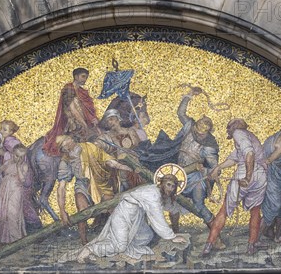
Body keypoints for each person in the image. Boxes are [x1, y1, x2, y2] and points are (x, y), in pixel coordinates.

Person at [76, 174, 187, 261]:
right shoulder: (152, 194)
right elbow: (157, 217)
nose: (170, 189)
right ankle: (89, 250)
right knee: (119, 247)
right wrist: (172, 237)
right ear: (162, 183)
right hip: (123, 215)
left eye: (173, 186)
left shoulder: (160, 193)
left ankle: (123, 243)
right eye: (168, 185)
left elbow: (170, 207)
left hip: (136, 217)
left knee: (146, 236)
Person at [202, 118, 268, 255]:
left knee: (224, 211)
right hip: (261, 176)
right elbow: (234, 159)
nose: (227, 130)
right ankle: (251, 246)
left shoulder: (239, 133)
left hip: (247, 173)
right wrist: (218, 168)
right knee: (255, 211)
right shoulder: (249, 137)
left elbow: (249, 154)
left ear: (234, 127)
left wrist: (248, 177)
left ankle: (209, 244)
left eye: (229, 127)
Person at [55, 135, 135, 243]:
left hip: (100, 183)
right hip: (82, 185)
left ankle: (123, 237)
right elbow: (61, 188)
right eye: (65, 144)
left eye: (68, 140)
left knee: (112, 206)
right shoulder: (65, 161)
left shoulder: (89, 147)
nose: (69, 142)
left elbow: (107, 159)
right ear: (64, 149)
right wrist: (62, 211)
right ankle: (84, 241)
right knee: (82, 210)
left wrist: (120, 166)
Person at [171, 88, 219, 231]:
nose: (198, 133)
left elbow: (214, 167)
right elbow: (180, 113)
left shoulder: (209, 145)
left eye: (202, 132)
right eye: (197, 129)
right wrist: (189, 95)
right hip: (179, 172)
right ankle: (174, 234)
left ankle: (215, 234)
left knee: (198, 204)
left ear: (208, 132)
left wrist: (208, 172)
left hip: (195, 178)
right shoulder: (189, 128)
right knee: (173, 204)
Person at [43, 68, 99, 156]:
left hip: (85, 120)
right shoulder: (69, 89)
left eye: (86, 77)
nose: (85, 79)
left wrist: (93, 118)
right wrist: (84, 125)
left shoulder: (82, 91)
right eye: (83, 76)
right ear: (76, 76)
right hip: (72, 122)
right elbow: (73, 109)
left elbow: (87, 109)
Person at [95, 109, 142, 192]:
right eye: (107, 121)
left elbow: (140, 148)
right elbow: (98, 145)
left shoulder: (130, 132)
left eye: (111, 119)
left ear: (118, 118)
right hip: (121, 172)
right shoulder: (106, 137)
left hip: (137, 166)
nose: (110, 122)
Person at [0, 144, 29, 244]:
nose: (18, 158)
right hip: (5, 189)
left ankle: (16, 239)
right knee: (4, 213)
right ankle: (6, 239)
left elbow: (22, 180)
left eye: (21, 157)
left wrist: (18, 167)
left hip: (16, 189)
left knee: (12, 212)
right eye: (16, 155)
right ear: (12, 154)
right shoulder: (8, 162)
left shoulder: (24, 165)